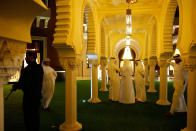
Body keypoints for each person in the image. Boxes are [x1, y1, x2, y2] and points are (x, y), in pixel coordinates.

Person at [12, 50, 44, 131]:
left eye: (26, 57)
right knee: (35, 115)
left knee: (28, 115)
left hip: (28, 97)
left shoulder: (26, 70)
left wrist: (15, 86)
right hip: (37, 96)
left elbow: (23, 84)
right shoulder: (39, 68)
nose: (25, 59)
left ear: (31, 57)